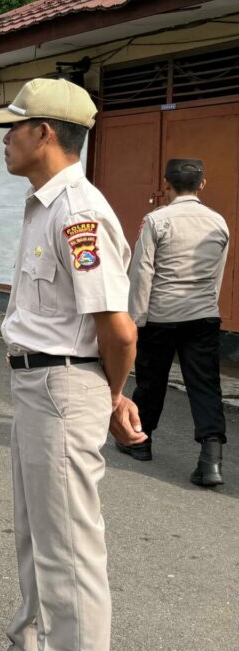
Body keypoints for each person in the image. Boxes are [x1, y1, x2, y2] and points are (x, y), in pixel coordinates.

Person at [0, 77, 145, 651]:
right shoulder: (43, 205)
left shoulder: (78, 213)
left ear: (45, 133)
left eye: (12, 127)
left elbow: (118, 330)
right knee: (35, 533)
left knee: (69, 552)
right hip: (39, 384)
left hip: (67, 385)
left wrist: (113, 394)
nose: (4, 139)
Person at [125, 158, 229, 487]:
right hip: (203, 315)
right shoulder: (218, 222)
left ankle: (140, 442)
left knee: (151, 380)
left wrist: (136, 319)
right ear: (202, 185)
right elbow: (216, 274)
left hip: (161, 315)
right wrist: (208, 306)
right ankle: (211, 459)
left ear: (166, 184)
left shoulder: (156, 220)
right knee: (206, 386)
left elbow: (142, 272)